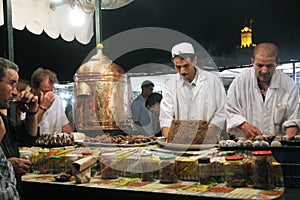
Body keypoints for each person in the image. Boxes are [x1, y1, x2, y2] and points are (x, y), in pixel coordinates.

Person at [226, 42, 300, 139]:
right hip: (246, 143)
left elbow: (294, 117)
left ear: (277, 63)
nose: (264, 71)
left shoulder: (288, 84)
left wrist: (288, 139)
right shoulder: (240, 81)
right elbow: (230, 109)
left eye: (269, 66)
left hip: (277, 146)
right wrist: (244, 125)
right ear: (252, 61)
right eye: (259, 65)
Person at [159, 42, 226, 142]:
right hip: (181, 143)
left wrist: (206, 135)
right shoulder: (171, 85)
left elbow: (222, 111)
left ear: (194, 61)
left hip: (209, 141)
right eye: (178, 67)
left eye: (186, 66)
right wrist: (171, 139)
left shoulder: (212, 81)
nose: (182, 71)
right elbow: (166, 117)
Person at [0, 57, 39, 199]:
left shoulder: (3, 120)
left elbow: (28, 138)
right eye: (11, 84)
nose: (15, 92)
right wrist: (6, 165)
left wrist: (32, 111)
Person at [30, 67, 73, 134]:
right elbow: (28, 128)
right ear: (34, 88)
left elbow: (64, 126)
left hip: (53, 143)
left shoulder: (55, 99)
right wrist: (43, 107)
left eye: (50, 91)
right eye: (45, 91)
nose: (48, 95)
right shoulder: (28, 100)